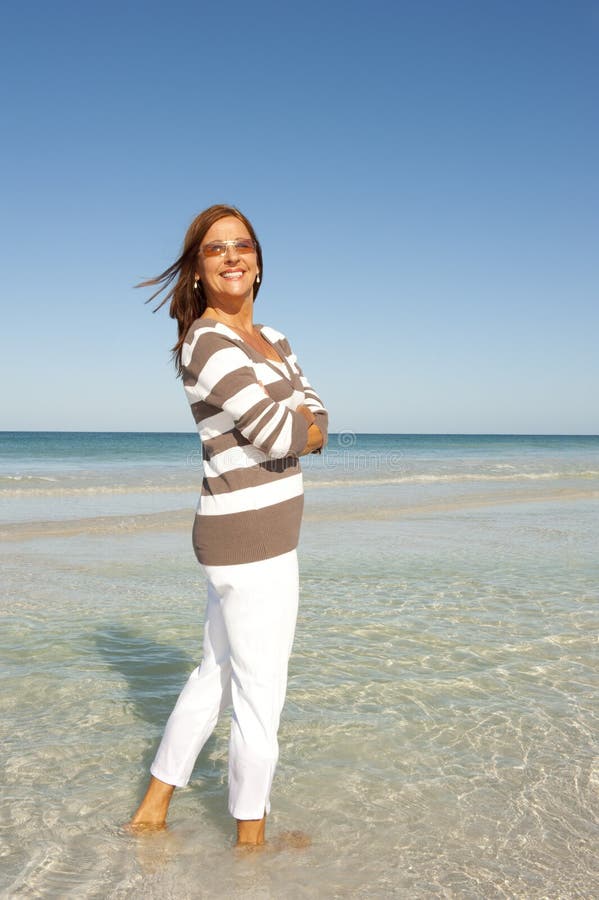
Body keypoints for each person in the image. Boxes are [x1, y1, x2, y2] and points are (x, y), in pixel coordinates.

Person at [129, 204, 328, 847]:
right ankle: (250, 844)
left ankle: (154, 808)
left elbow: (317, 410)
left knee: (215, 673)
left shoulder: (277, 338)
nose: (232, 255)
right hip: (247, 541)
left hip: (266, 532)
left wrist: (304, 422)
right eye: (215, 249)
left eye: (242, 245)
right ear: (196, 271)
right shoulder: (207, 341)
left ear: (260, 262)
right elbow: (283, 429)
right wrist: (304, 424)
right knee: (260, 694)